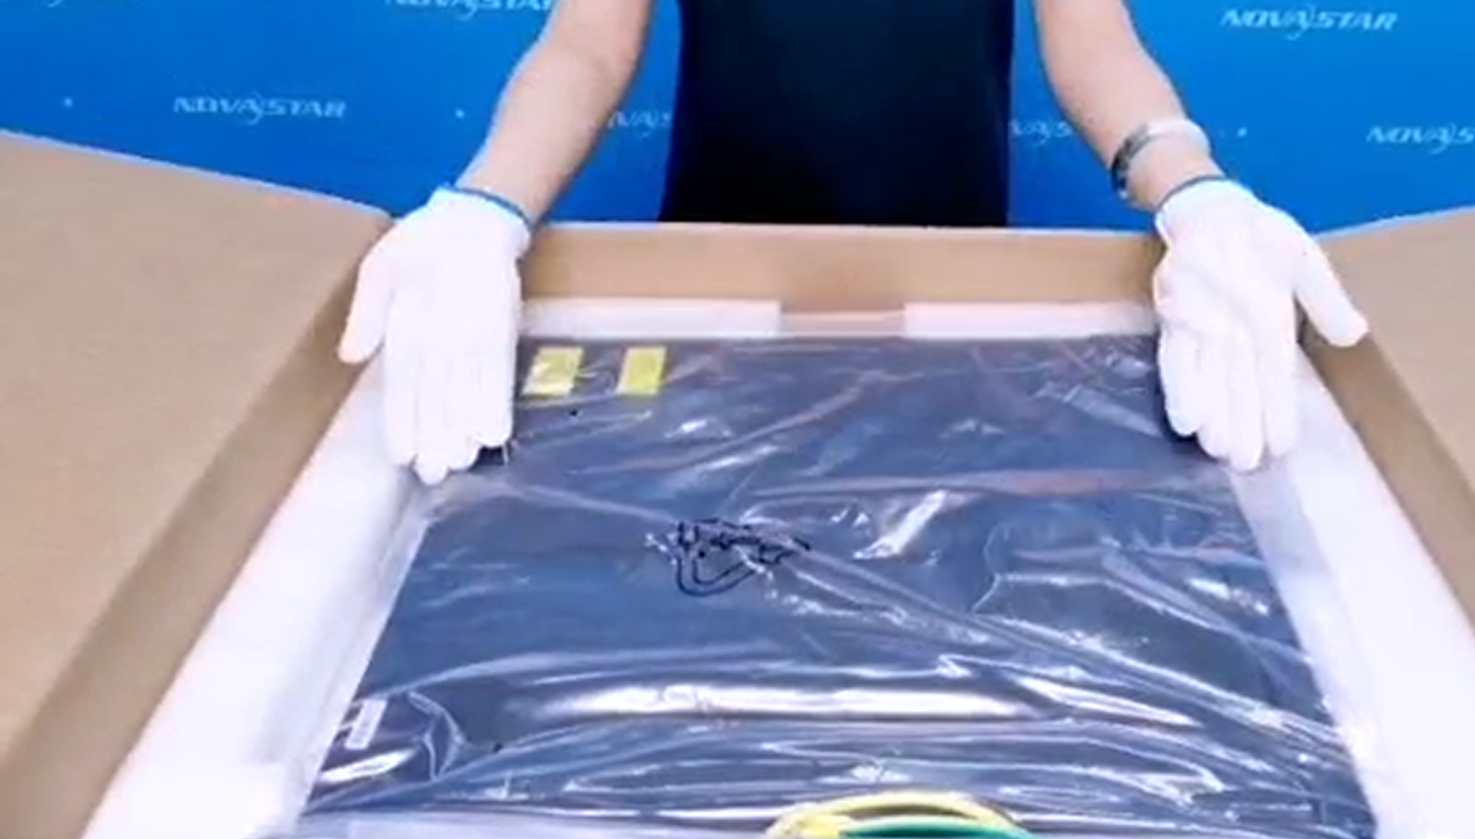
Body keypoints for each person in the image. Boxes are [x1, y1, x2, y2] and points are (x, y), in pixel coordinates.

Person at [337, 0, 1370, 485]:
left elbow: (1094, 43)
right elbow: (587, 42)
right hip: (713, 297)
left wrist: (1191, 188)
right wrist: (486, 208)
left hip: (949, 297)